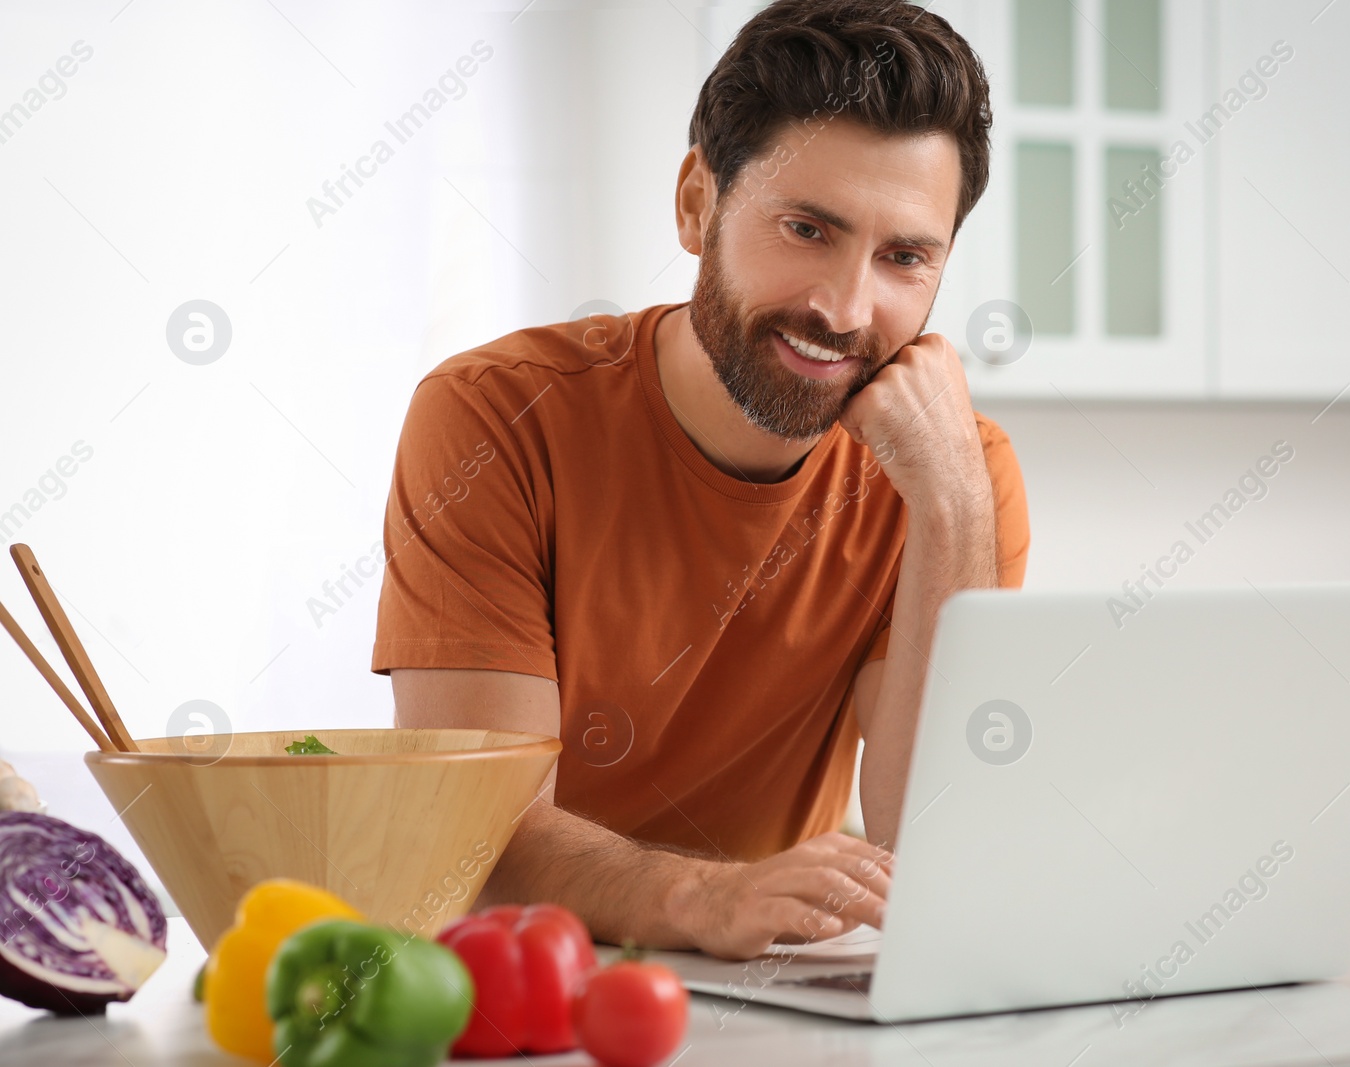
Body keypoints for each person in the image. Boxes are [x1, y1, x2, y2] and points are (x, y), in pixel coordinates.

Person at [372, 0, 1028, 960]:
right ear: (695, 202)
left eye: (904, 257)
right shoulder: (490, 418)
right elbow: (476, 834)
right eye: (806, 228)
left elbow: (936, 843)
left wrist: (955, 503)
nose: (844, 309)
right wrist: (708, 896)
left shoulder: (959, 477)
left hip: (757, 997)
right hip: (519, 984)